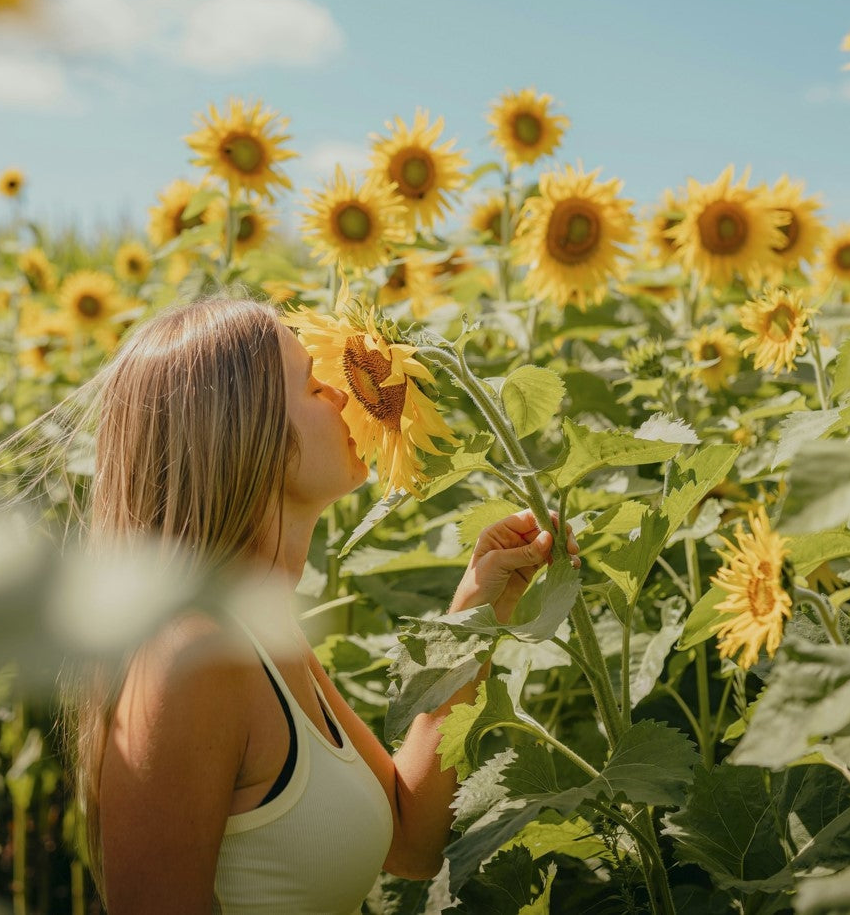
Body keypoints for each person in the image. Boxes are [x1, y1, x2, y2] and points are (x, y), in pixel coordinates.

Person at [63, 295, 577, 914]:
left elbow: (411, 841)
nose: (347, 397)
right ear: (243, 435)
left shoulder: (260, 632)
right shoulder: (190, 657)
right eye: (315, 385)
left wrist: (476, 610)